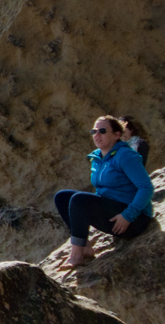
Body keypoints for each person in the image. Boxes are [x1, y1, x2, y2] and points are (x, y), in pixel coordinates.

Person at [53, 115, 153, 268]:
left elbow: (146, 187)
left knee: (79, 199)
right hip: (113, 211)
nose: (97, 135)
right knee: (62, 197)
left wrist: (128, 215)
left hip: (134, 220)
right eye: (94, 131)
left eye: (103, 131)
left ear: (117, 135)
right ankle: (85, 247)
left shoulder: (126, 155)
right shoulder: (98, 158)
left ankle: (76, 255)